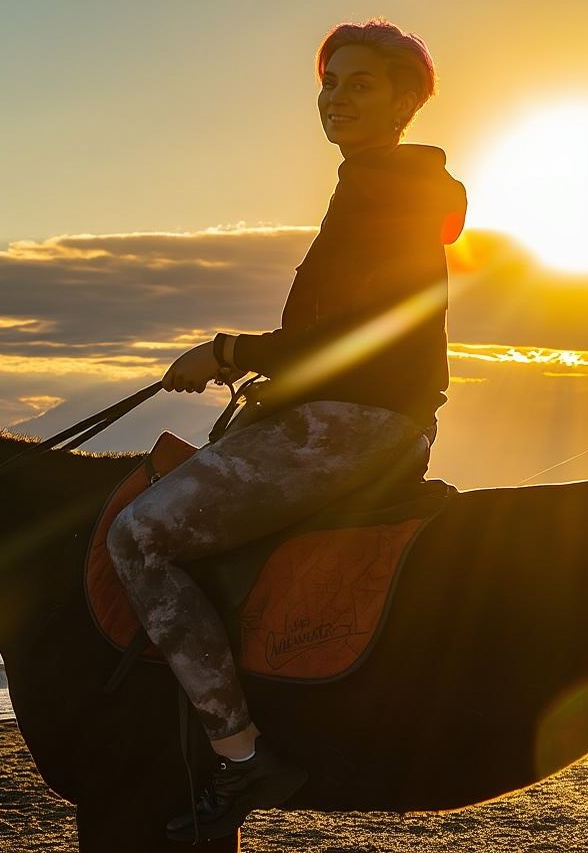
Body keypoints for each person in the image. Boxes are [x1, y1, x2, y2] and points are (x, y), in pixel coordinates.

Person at [105, 18, 468, 842]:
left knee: (137, 536)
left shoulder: (381, 186)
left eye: (361, 84)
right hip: (354, 413)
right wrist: (275, 375)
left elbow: (354, 332)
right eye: (330, 83)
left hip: (353, 425)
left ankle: (240, 753)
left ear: (404, 103)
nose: (337, 98)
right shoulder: (384, 184)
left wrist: (228, 351)